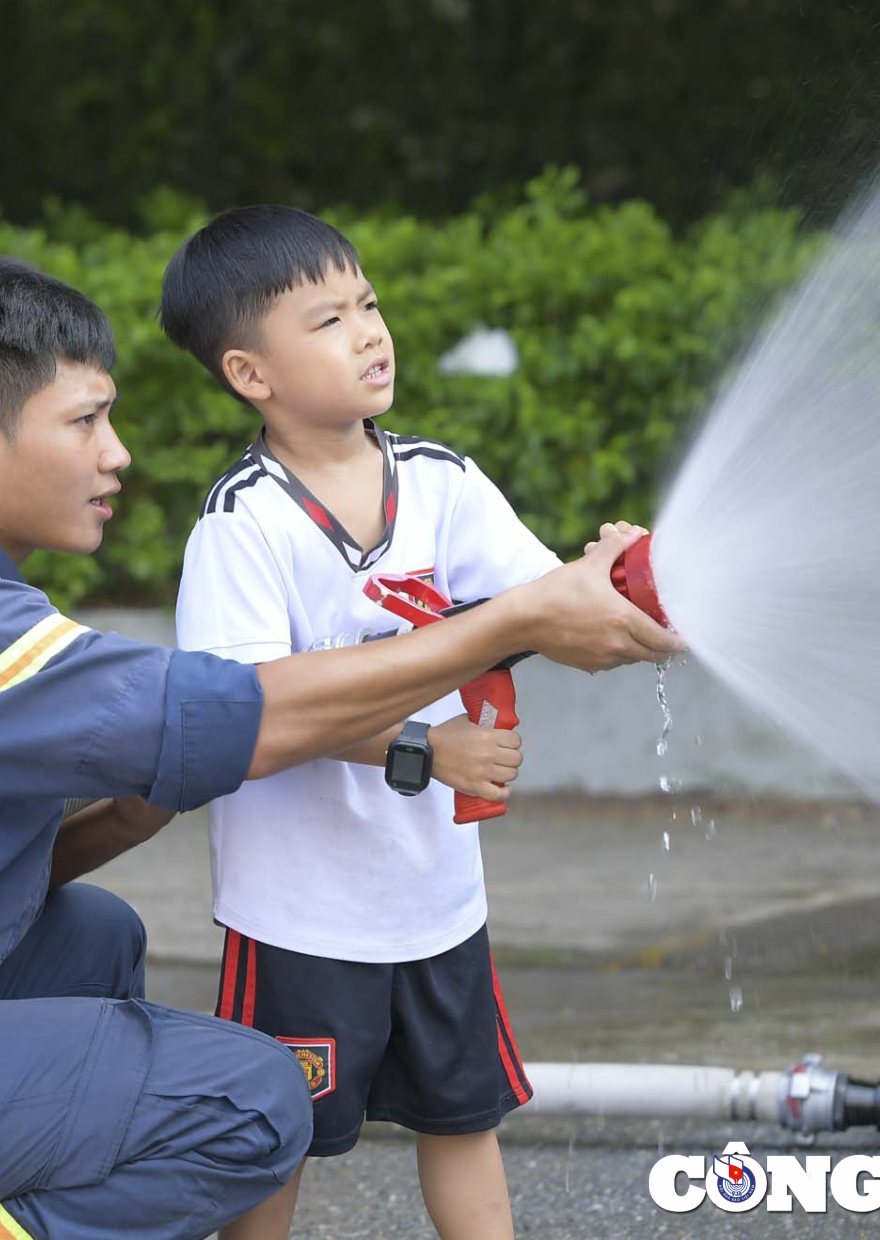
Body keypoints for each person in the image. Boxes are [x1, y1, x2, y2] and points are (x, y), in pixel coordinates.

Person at [0, 254, 678, 1240]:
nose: (117, 454)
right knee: (250, 1100)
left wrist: (157, 787)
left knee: (90, 942)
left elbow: (28, 822)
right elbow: (245, 712)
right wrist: (511, 623)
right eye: (85, 423)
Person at [162, 205, 603, 1240]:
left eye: (366, 303)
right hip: (298, 916)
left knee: (464, 1118)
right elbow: (242, 713)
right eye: (327, 319)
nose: (368, 331)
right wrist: (424, 746)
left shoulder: (442, 484)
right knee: (272, 1134)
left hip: (435, 901)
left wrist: (617, 581)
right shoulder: (242, 524)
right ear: (248, 374)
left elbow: (546, 604)